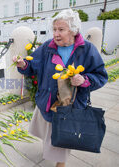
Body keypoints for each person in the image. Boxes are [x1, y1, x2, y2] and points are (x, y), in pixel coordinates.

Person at [13, 9, 108, 167]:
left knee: (64, 137)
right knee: (49, 134)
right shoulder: (47, 47)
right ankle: (51, 149)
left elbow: (101, 76)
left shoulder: (87, 49)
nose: (56, 34)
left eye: (61, 30)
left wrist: (84, 80)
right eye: (54, 29)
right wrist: (23, 64)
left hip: (70, 106)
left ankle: (60, 163)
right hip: (48, 102)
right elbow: (32, 66)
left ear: (73, 30)